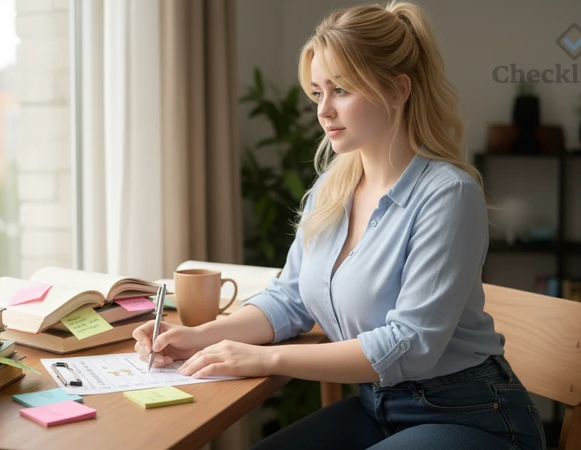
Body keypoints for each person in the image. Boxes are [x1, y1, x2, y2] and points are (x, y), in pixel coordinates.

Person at [132, 1, 545, 449]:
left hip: (471, 417)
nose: (323, 111)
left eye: (341, 90)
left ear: (398, 89)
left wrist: (264, 359)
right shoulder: (333, 186)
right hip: (378, 409)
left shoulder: (448, 194)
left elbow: (410, 342)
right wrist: (196, 337)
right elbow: (289, 300)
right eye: (317, 92)